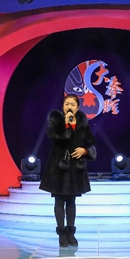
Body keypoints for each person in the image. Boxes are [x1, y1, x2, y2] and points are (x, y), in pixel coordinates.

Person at [39, 94, 97, 247]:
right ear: (63, 106)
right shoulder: (56, 119)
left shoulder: (82, 122)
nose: (69, 107)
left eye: (72, 104)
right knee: (59, 200)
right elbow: (52, 135)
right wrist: (65, 124)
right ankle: (61, 233)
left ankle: (71, 232)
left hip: (75, 168)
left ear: (77, 107)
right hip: (59, 166)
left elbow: (90, 142)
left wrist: (84, 150)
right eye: (66, 104)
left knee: (71, 200)